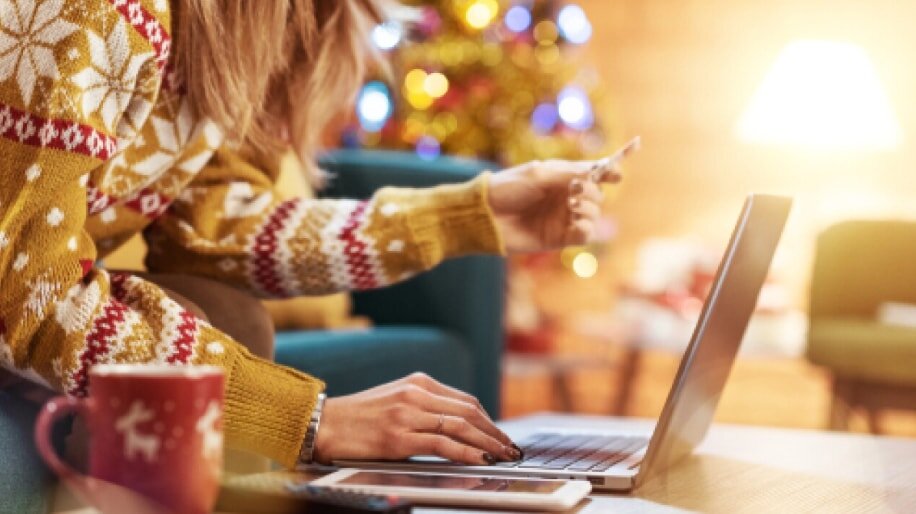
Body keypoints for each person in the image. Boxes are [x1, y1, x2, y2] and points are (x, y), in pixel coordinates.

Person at [0, 0, 633, 469]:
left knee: (233, 318)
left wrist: (478, 211)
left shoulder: (236, 33)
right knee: (199, 344)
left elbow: (214, 232)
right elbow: (22, 288)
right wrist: (308, 420)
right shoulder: (99, 13)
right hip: (16, 285)